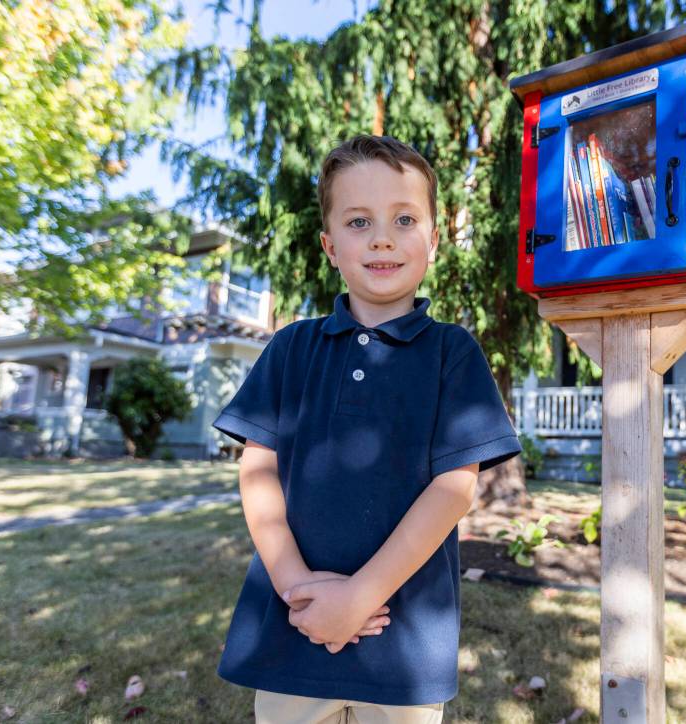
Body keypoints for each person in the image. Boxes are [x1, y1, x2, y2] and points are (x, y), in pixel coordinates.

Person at [211, 134, 523, 723]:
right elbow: (257, 469)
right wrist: (296, 586)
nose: (382, 237)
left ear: (433, 240)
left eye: (404, 219)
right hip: (292, 629)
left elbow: (454, 489)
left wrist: (360, 595)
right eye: (359, 222)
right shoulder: (289, 348)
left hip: (403, 640)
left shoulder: (453, 353)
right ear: (329, 245)